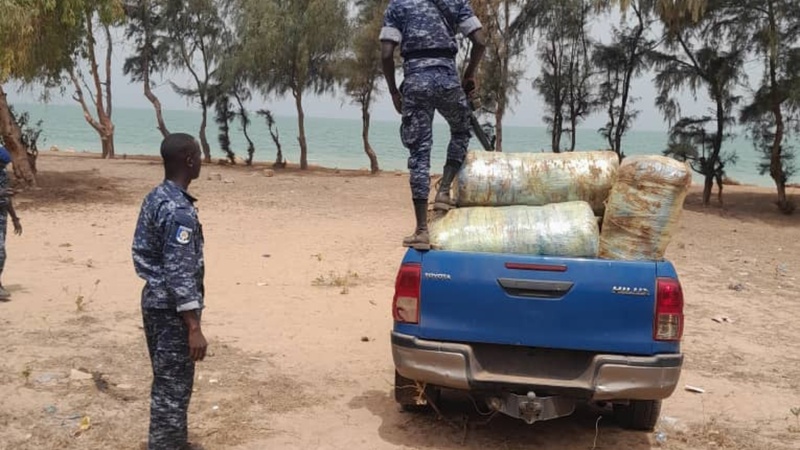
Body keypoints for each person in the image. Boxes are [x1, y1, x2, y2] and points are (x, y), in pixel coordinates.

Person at [380, 0, 486, 249]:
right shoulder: (456, 2)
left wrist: (394, 92)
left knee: (419, 153)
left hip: (416, 84)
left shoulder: (398, 5)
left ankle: (421, 231)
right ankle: (444, 189)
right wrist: (469, 74)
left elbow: (386, 54)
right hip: (448, 81)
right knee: (461, 130)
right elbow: (480, 41)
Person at [132, 133, 208, 450]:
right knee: (172, 388)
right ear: (189, 159)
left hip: (154, 302)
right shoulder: (180, 212)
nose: (202, 160)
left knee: (168, 383)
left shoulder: (155, 197)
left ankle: (174, 441)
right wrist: (193, 326)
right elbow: (179, 272)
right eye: (199, 155)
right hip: (172, 312)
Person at [0, 146, 22, 301]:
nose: (3, 168)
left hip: (2, 217)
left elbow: (6, 198)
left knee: (2, 254)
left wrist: (15, 218)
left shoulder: (2, 174)